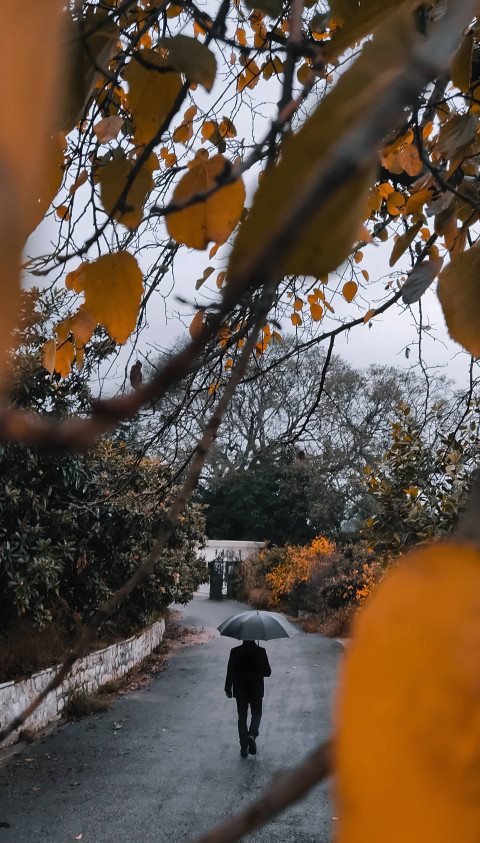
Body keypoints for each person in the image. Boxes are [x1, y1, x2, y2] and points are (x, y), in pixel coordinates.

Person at [225, 640, 271, 757]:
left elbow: (230, 671)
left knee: (242, 717)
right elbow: (267, 672)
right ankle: (252, 735)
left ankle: (244, 747)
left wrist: (228, 688)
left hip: (240, 690)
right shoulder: (261, 651)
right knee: (256, 714)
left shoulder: (235, 651)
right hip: (256, 689)